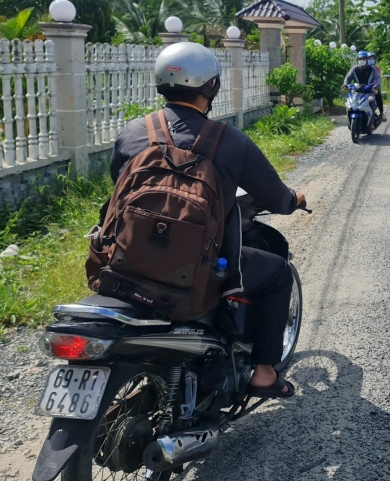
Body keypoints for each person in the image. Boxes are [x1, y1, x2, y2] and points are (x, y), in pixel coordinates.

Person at [110, 42, 303, 399]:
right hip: (198, 267)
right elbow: (277, 197)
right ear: (211, 87)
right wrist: (295, 200)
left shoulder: (133, 133)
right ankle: (263, 374)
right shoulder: (230, 142)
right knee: (276, 273)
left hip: (126, 262)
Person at [342, 51, 381, 121]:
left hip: (369, 91)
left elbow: (377, 78)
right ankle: (349, 119)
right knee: (349, 102)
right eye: (360, 59)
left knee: (371, 100)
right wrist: (345, 84)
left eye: (363, 58)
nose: (361, 60)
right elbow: (347, 77)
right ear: (357, 60)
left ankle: (371, 121)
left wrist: (376, 85)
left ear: (367, 59)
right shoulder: (354, 69)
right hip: (356, 91)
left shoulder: (372, 68)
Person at [367, 52, 386, 122]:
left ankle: (381, 113)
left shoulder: (376, 68)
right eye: (370, 58)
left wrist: (375, 85)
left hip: (374, 86)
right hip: (364, 86)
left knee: (378, 95)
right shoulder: (364, 68)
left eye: (373, 58)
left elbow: (378, 78)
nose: (371, 60)